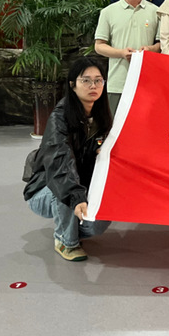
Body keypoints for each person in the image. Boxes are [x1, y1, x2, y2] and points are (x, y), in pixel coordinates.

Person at [23, 57, 113, 262]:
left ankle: (72, 226)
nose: (93, 86)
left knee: (98, 224)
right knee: (63, 188)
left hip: (81, 185)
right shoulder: (60, 118)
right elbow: (59, 162)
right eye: (86, 80)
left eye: (98, 80)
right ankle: (66, 241)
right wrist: (75, 195)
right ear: (72, 85)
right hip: (46, 189)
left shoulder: (102, 116)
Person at [95, 0, 161, 114]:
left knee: (145, 125)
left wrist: (150, 49)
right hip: (117, 83)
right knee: (115, 126)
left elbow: (161, 44)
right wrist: (121, 53)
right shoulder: (108, 12)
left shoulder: (156, 12)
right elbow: (99, 46)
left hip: (146, 83)